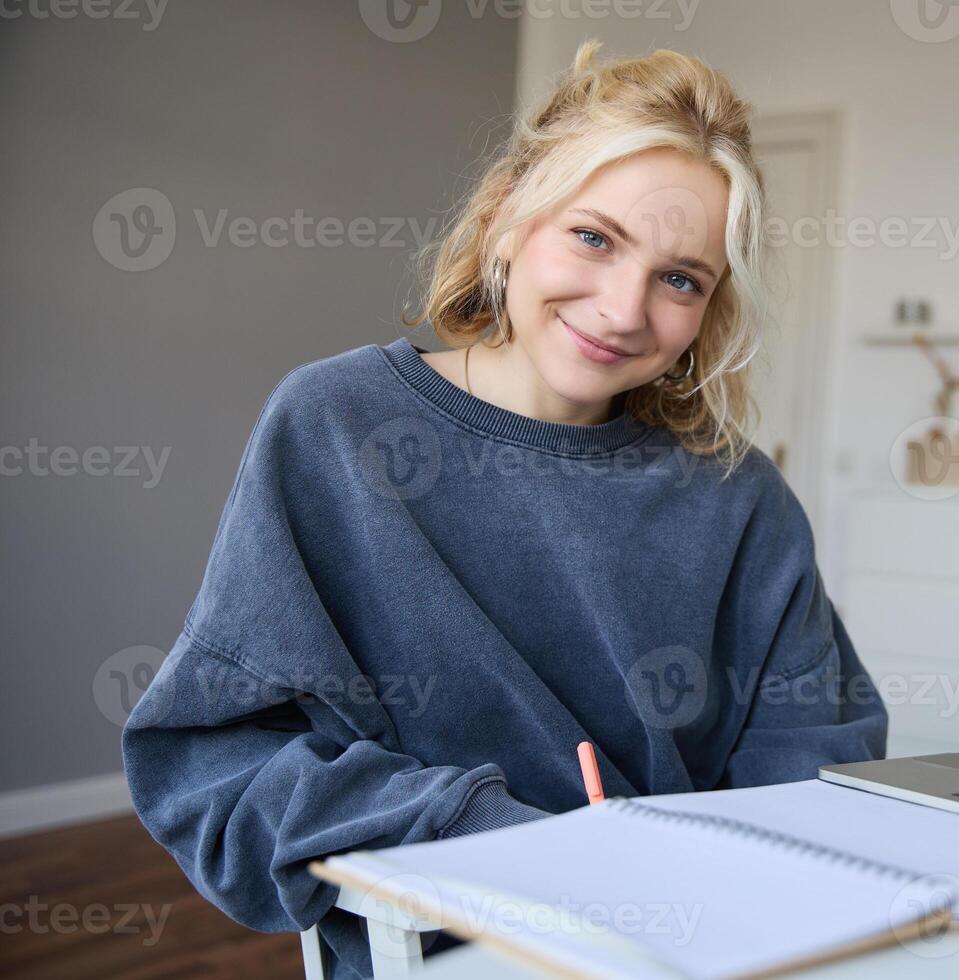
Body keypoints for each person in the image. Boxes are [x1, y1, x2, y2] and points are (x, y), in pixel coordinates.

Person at [122, 39, 887, 978]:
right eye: (594, 238)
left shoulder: (739, 497)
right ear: (507, 222)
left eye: (680, 277)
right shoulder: (335, 424)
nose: (621, 307)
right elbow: (212, 767)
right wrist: (479, 827)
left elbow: (823, 761)